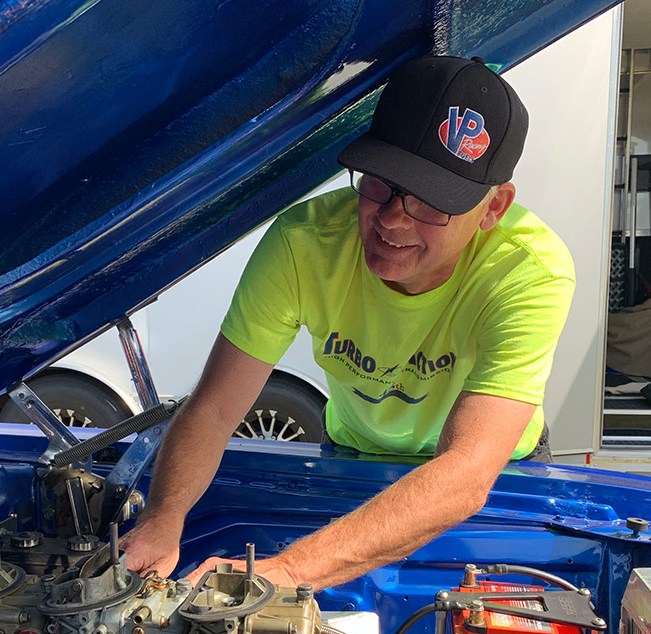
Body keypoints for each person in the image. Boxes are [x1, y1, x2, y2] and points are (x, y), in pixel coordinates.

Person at [122, 55, 575, 591]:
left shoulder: (530, 273)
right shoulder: (302, 243)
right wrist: (163, 515)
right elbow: (217, 408)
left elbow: (467, 472)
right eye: (381, 183)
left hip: (500, 474)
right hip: (353, 455)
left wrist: (289, 569)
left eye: (430, 202)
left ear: (494, 207)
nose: (391, 218)